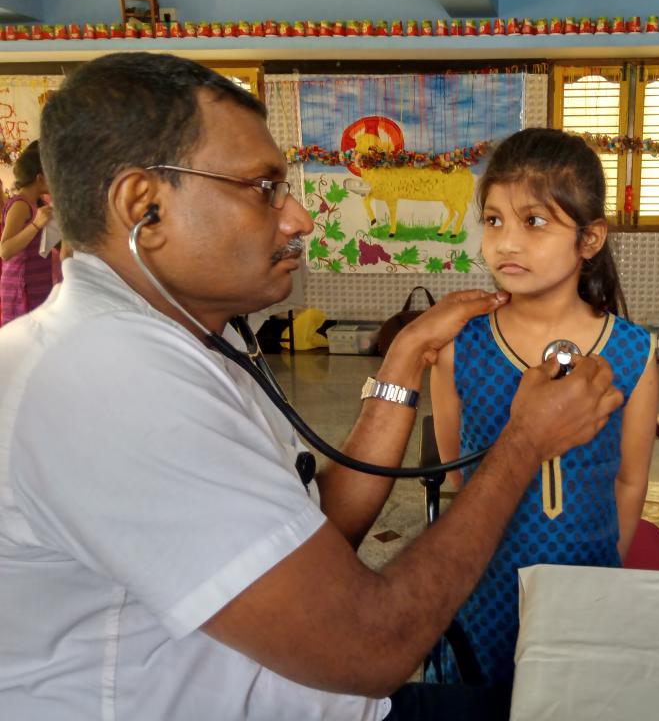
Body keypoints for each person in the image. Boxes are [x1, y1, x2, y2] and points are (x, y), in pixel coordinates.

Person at [0, 53, 624, 720]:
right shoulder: (106, 380)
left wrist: (404, 359)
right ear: (142, 207)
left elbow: (307, 538)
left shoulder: (194, 335)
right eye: (263, 187)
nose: (298, 218)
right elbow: (373, 643)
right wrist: (524, 442)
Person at [429, 128, 659, 686]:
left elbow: (630, 479)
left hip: (589, 573)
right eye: (493, 221)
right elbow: (459, 472)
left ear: (589, 239)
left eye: (533, 222)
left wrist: (608, 561)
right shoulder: (459, 346)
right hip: (485, 575)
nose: (506, 242)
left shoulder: (633, 350)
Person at [0, 140, 55, 325]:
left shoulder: (36, 204)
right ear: (39, 178)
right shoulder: (20, 205)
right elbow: (5, 250)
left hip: (37, 283)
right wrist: (37, 225)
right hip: (21, 287)